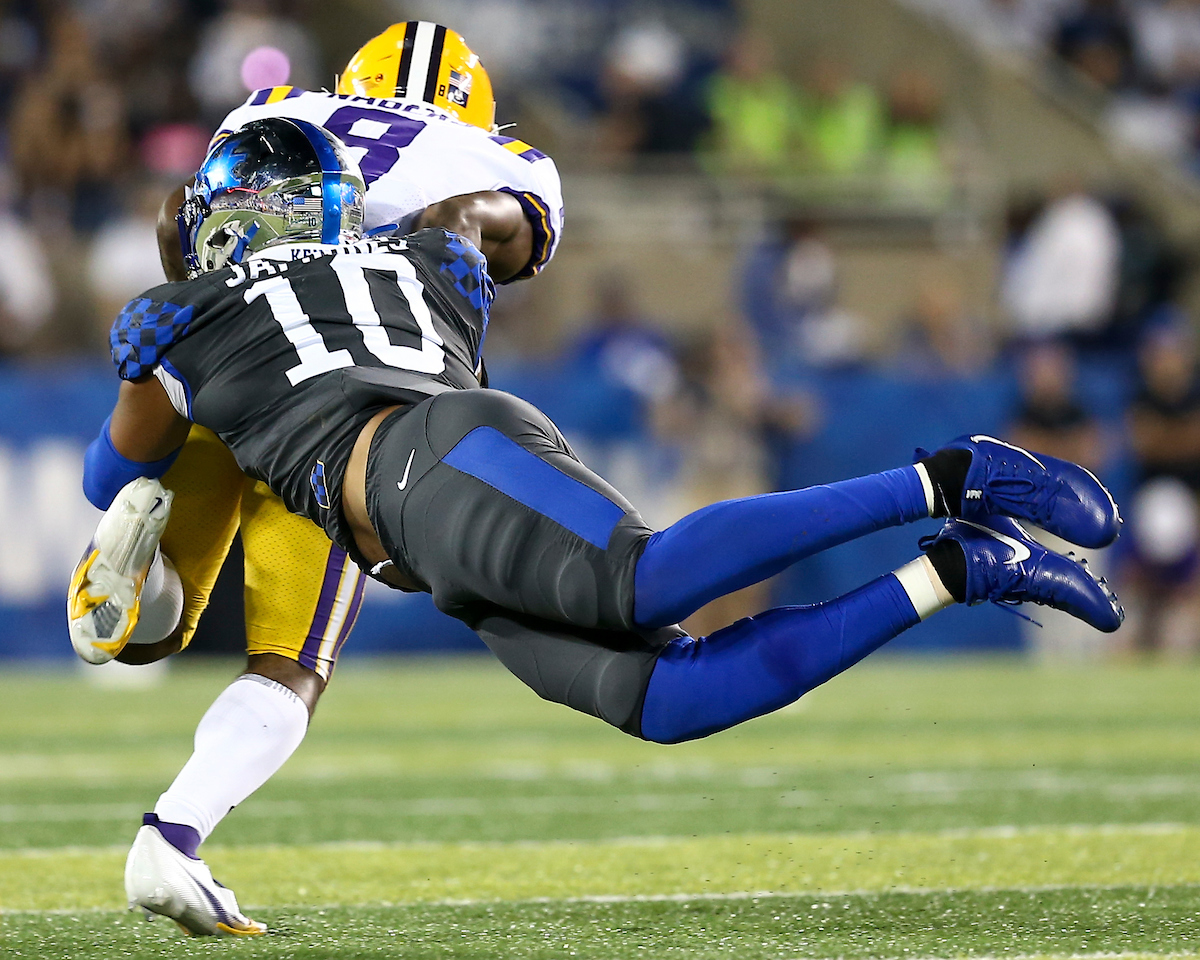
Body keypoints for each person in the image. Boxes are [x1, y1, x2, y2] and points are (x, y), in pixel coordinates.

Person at [80, 115, 1123, 936]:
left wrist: (196, 315)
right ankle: (961, 571)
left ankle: (954, 476)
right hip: (430, 503)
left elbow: (111, 471)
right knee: (672, 701)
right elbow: (488, 219)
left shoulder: (178, 318)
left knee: (646, 580)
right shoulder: (433, 261)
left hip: (423, 459)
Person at [67, 23, 563, 936]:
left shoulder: (276, 107)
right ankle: (175, 829)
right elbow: (499, 242)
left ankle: (127, 562)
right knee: (291, 659)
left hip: (228, 343)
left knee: (142, 618)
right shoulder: (496, 154)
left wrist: (195, 308)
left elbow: (185, 206)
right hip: (346, 399)